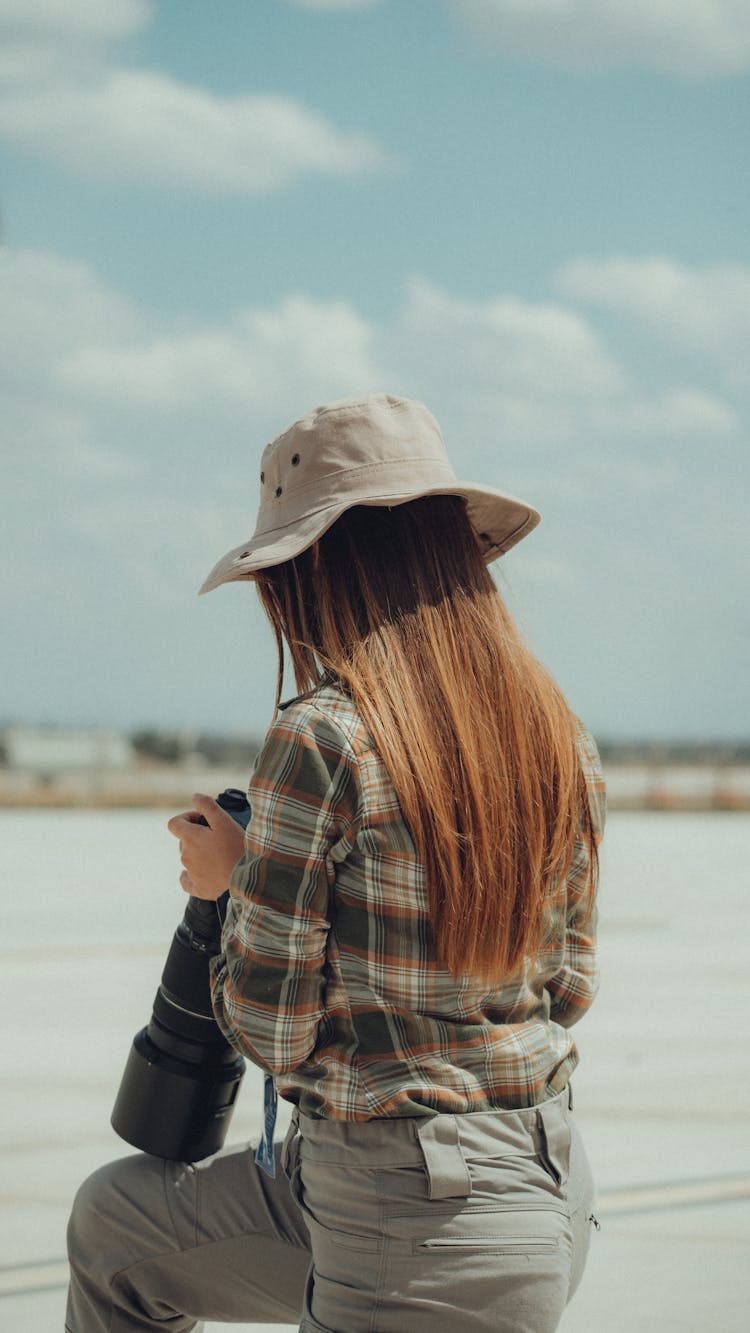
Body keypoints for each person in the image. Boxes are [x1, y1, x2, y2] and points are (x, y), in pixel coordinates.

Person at [66, 393, 605, 1333]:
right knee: (116, 1225)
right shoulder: (560, 737)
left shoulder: (325, 736)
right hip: (542, 1190)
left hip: (405, 1220)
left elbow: (276, 1035)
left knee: (119, 1233)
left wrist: (238, 892)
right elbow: (570, 986)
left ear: (313, 569)